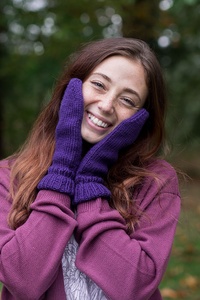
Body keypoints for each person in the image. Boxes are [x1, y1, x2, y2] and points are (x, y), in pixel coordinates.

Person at [0, 37, 181, 300]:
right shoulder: (8, 175)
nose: (107, 105)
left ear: (142, 118)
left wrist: (89, 184)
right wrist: (62, 171)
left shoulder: (157, 181)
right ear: (72, 87)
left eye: (128, 100)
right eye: (98, 85)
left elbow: (134, 287)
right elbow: (23, 280)